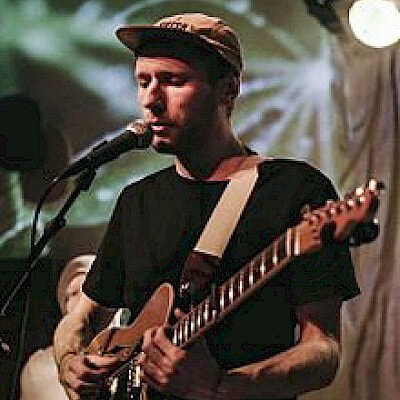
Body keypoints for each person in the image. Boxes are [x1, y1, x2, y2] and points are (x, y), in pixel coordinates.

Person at [53, 13, 360, 400]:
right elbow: (81, 318)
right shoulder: (137, 201)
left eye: (173, 81)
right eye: (143, 82)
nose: (150, 100)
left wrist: (221, 387)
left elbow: (324, 350)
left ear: (227, 90)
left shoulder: (294, 190)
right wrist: (69, 361)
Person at [19, 254, 95, 400]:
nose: (81, 301)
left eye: (88, 292)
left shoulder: (129, 353)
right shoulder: (38, 367)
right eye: (73, 293)